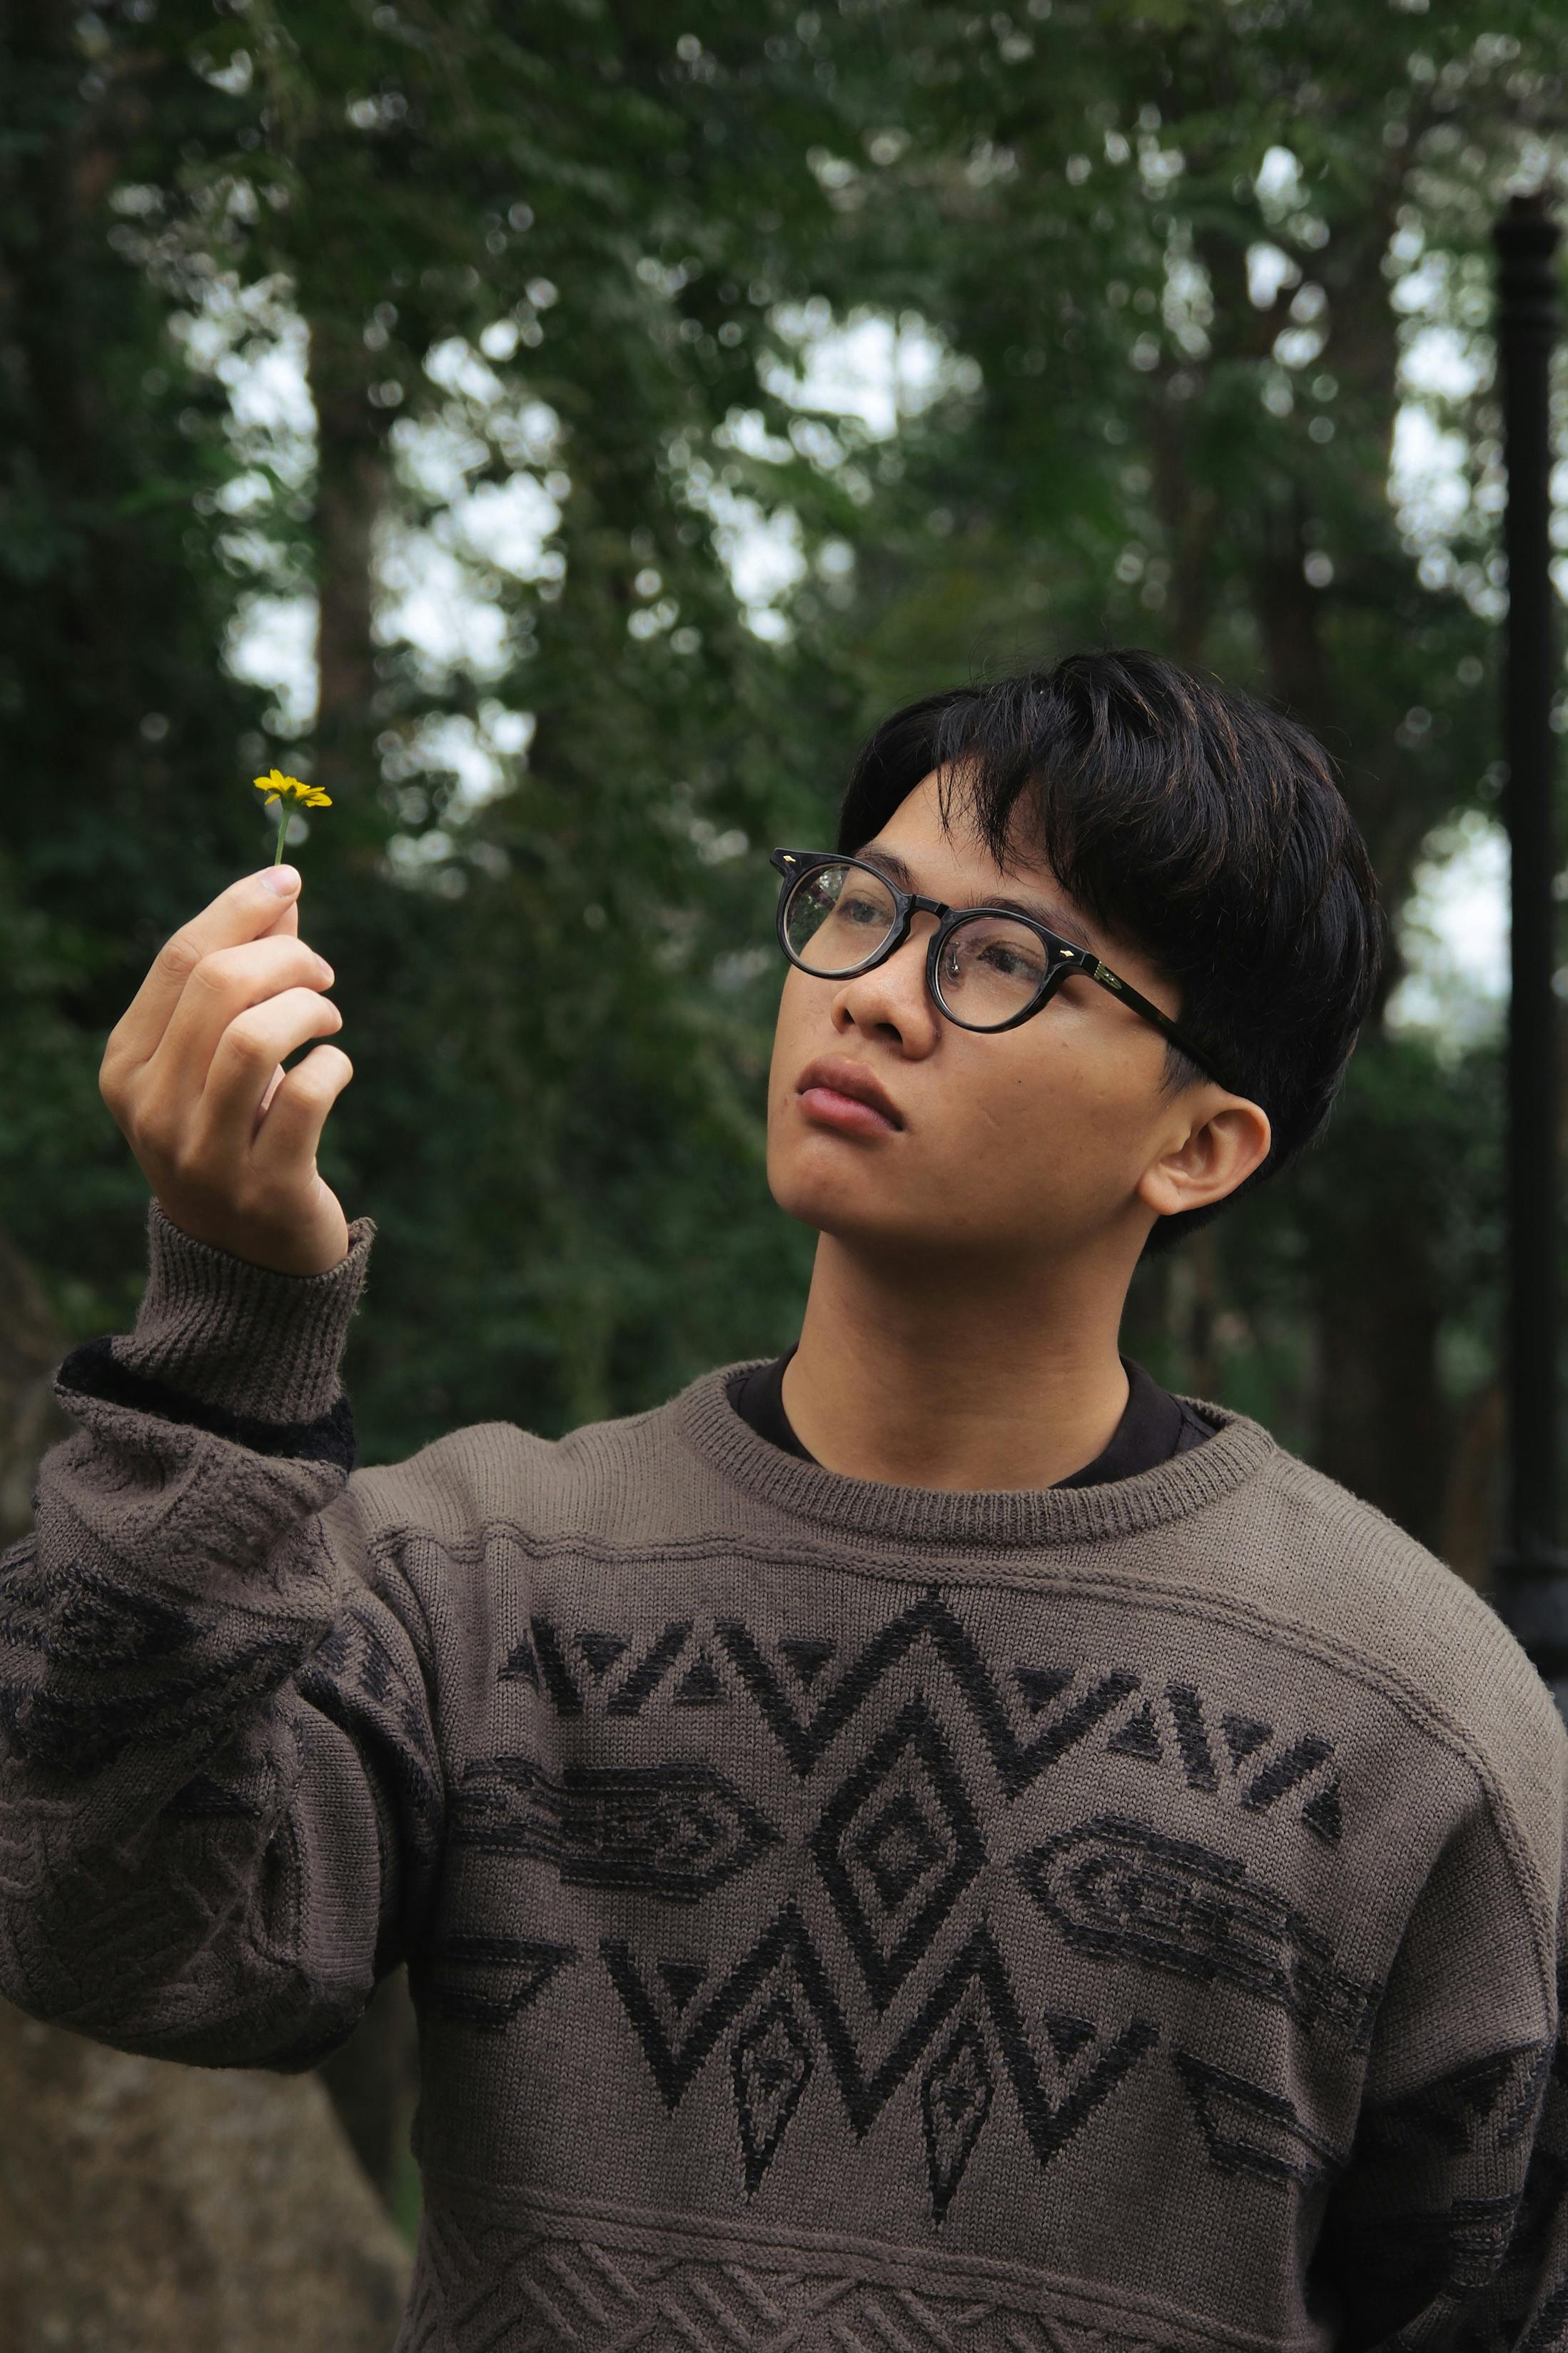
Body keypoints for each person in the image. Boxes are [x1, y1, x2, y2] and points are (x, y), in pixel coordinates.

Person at [2, 647, 1564, 2351]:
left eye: (999, 960)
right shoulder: (476, 1574)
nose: (875, 990)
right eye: (859, 906)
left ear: (1198, 1145)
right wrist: (227, 1337)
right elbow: (93, 1917)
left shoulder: (1416, 1722)